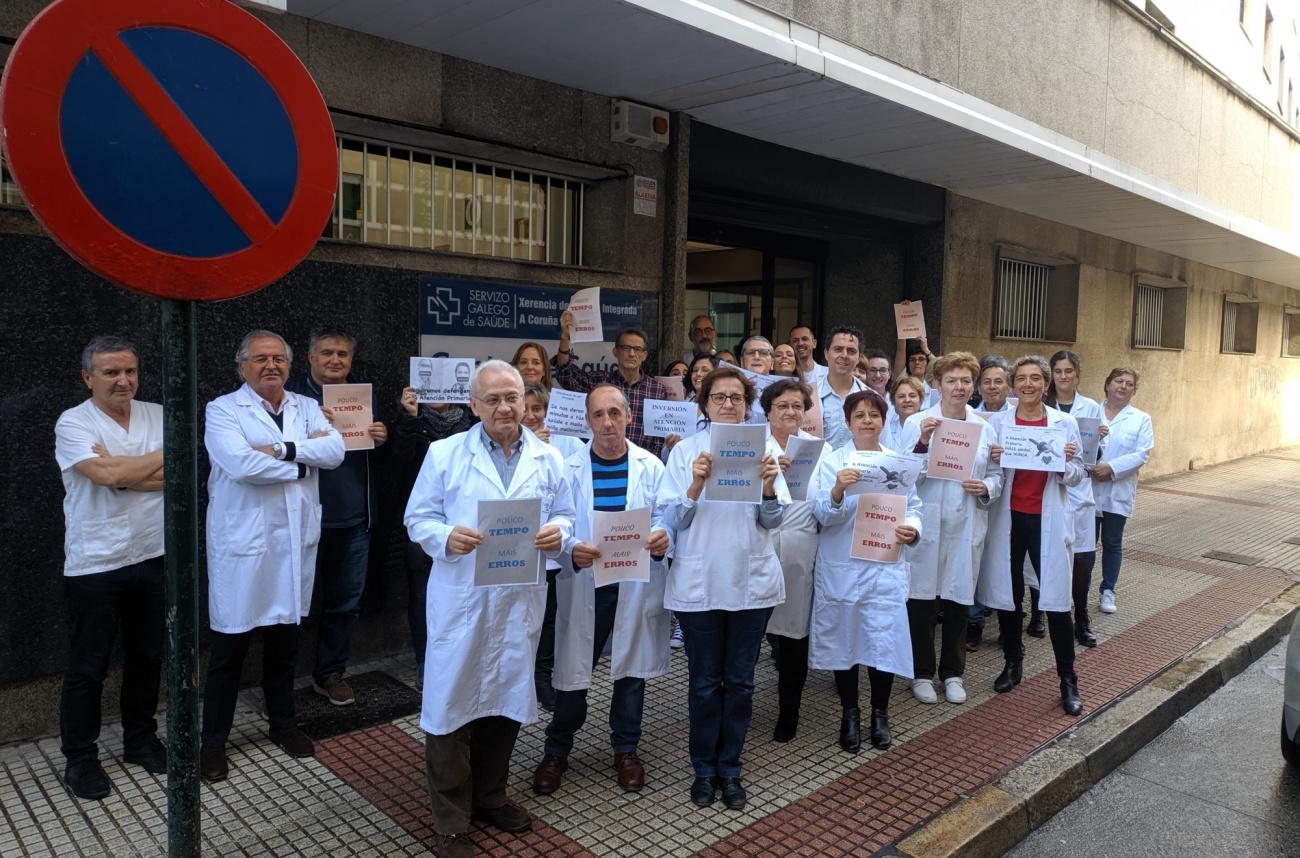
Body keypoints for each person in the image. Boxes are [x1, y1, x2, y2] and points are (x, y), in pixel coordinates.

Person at [404, 360, 576, 858]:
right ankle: (451, 821)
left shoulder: (549, 458)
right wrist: (445, 536)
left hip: (518, 598)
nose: (505, 407)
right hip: (463, 599)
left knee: (505, 700)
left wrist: (559, 534)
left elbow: (567, 515)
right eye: (493, 399)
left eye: (513, 397)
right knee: (451, 706)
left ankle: (490, 796)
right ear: (473, 405)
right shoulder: (443, 454)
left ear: (525, 401)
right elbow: (418, 517)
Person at [200, 331, 345, 782]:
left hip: (293, 541)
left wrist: (283, 451)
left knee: (285, 643)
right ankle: (213, 743)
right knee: (230, 648)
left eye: (278, 359)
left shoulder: (305, 405)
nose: (271, 366)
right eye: (261, 359)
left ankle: (284, 723)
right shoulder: (223, 409)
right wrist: (305, 463)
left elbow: (336, 451)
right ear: (242, 366)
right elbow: (241, 465)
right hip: (244, 546)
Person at [532, 385, 672, 796]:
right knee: (572, 674)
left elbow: (665, 514)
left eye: (615, 413)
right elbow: (555, 518)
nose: (607, 422)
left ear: (629, 416)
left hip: (632, 582)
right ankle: (557, 750)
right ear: (587, 420)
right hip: (585, 581)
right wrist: (569, 547)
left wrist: (664, 536)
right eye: (598, 415)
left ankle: (626, 749)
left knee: (630, 672)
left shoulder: (651, 465)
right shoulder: (568, 465)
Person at [660, 366, 786, 811]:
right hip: (700, 582)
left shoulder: (764, 448)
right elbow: (672, 521)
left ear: (747, 405)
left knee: (740, 682)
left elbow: (775, 521)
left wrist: (769, 489)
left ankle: (730, 768)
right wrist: (695, 484)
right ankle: (703, 769)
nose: (728, 404)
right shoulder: (685, 453)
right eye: (719, 397)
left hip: (750, 583)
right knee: (703, 683)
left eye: (736, 398)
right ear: (705, 404)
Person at [54, 336, 167, 800]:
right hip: (95, 562)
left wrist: (124, 472)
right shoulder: (73, 422)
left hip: (154, 551)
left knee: (147, 656)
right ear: (88, 377)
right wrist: (152, 463)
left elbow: (179, 473)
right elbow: (105, 476)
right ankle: (80, 759)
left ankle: (140, 740)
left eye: (130, 371)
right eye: (110, 373)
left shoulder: (158, 414)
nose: (123, 381)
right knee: (88, 666)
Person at [811, 388, 921, 752]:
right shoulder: (832, 462)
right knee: (846, 639)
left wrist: (913, 529)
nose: (867, 421)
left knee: (882, 640)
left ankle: (879, 713)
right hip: (843, 564)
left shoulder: (899, 461)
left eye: (874, 415)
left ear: (883, 420)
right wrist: (838, 492)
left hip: (884, 565)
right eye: (859, 415)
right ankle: (849, 713)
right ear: (848, 422)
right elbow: (822, 515)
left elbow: (914, 506)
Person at [284, 326, 387, 707]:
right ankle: (282, 683)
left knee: (346, 603)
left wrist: (380, 438)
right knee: (293, 604)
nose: (335, 361)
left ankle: (330, 673)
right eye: (326, 353)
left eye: (342, 355)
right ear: (310, 358)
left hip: (355, 519)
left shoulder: (361, 398)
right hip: (304, 518)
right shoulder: (291, 400)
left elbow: (383, 461)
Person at [978, 356, 1086, 716]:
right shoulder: (997, 423)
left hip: (1047, 519)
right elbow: (989, 471)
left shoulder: (1063, 423)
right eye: (1021, 378)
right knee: (1009, 595)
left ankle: (1067, 679)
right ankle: (1013, 661)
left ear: (1045, 384)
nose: (1028, 384)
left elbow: (1077, 474)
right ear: (1013, 384)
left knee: (1055, 601)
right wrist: (993, 459)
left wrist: (1066, 462)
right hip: (1010, 518)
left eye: (1035, 378)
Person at [900, 352, 1003, 706]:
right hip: (927, 523)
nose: (959, 387)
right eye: (951, 380)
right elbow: (901, 476)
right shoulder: (917, 423)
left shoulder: (984, 427)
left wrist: (986, 488)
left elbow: (996, 474)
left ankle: (954, 672)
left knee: (959, 600)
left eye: (965, 381)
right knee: (922, 601)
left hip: (965, 521)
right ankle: (921, 672)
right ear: (936, 384)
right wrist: (924, 445)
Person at [389, 386, 477, 683]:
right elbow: (398, 461)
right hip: (424, 522)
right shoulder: (411, 419)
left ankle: (458, 660)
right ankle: (426, 662)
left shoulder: (471, 425)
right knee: (421, 594)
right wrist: (409, 419)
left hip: (464, 529)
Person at [761, 379, 828, 742]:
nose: (790, 412)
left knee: (793, 636)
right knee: (751, 631)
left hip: (802, 549)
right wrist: (771, 480)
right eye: (782, 405)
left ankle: (789, 711)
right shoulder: (754, 448)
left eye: (797, 406)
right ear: (768, 410)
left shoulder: (819, 450)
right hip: (758, 546)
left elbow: (828, 503)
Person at [521, 382, 586, 711]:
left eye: (538, 409)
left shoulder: (568, 443)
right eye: (526, 408)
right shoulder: (503, 443)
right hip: (514, 550)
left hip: (549, 549)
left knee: (547, 618)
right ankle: (518, 678)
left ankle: (541, 677)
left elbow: (571, 495)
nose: (532, 416)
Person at [1044, 350, 1103, 646]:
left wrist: (1099, 440)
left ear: (1078, 374)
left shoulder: (1091, 407)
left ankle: (1081, 615)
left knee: (1083, 559)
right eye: (1058, 371)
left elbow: (1092, 457)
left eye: (1069, 371)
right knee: (1045, 557)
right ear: (1051, 375)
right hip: (1049, 491)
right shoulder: (1042, 405)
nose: (1064, 377)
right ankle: (1041, 614)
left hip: (1079, 493)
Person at [554, 318, 672, 458]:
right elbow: (565, 373)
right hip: (601, 460)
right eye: (626, 348)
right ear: (615, 351)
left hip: (642, 466)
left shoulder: (657, 389)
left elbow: (658, 436)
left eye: (637, 349)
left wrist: (650, 462)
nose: (631, 354)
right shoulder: (599, 382)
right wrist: (565, 337)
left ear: (644, 355)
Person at [1091, 368, 1153, 617]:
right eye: (1118, 381)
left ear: (1134, 391)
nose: (1123, 386)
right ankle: (1079, 588)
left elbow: (1142, 453)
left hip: (1118, 488)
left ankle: (1108, 590)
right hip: (1089, 487)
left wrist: (1111, 468)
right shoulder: (1090, 412)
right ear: (1107, 384)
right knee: (1084, 544)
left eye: (1129, 384)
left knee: (1112, 542)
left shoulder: (1141, 419)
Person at [817, 326, 867, 451]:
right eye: (838, 349)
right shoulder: (808, 395)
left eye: (851, 351)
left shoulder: (871, 398)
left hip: (857, 469)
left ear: (859, 357)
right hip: (820, 469)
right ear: (826, 353)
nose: (844, 355)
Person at [882, 375, 924, 451]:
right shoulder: (886, 430)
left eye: (912, 396)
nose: (907, 400)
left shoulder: (928, 428)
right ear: (893, 402)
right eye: (901, 396)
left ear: (920, 400)